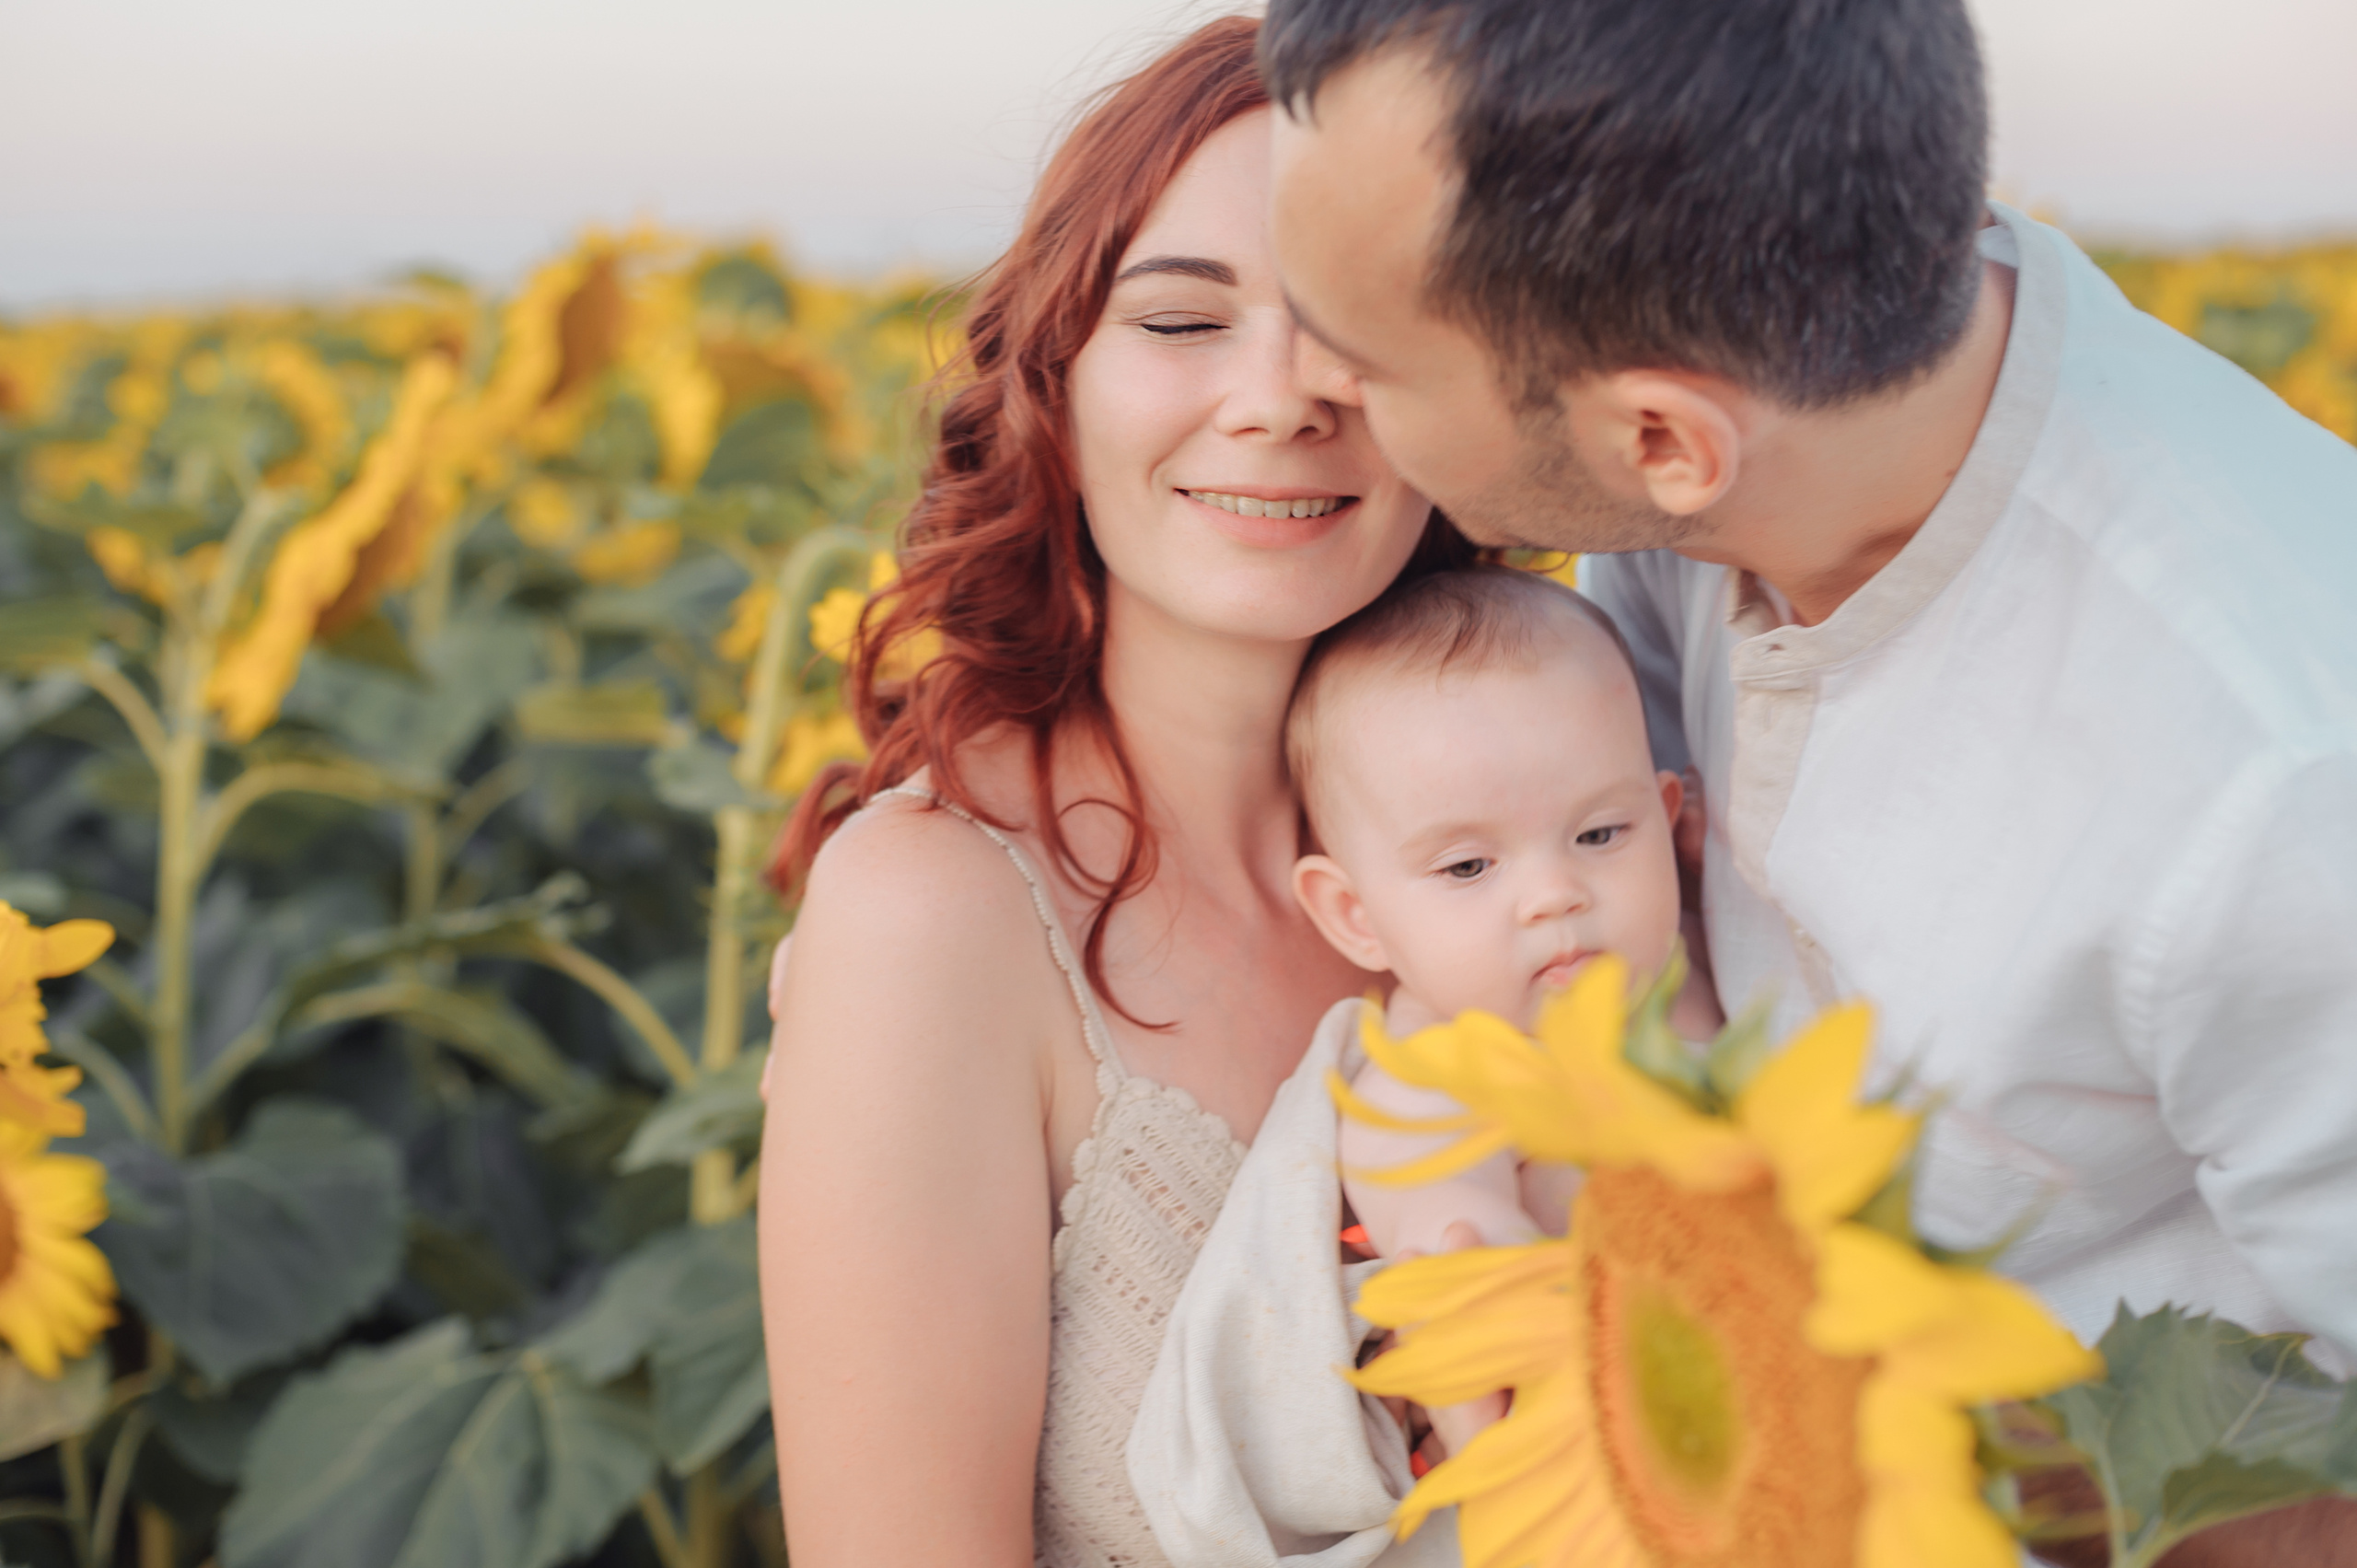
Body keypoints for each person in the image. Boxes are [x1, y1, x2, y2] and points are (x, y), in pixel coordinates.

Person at [1257, 0, 2357, 1562]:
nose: (1303, 376)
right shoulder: (1747, 445)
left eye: (1366, 356)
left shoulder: (2275, 782)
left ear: (1664, 441)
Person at [755, 17, 1472, 1566]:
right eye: (1182, 319)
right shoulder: (936, 920)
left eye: (1358, 323)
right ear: (1055, 384)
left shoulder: (1559, 815)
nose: (1282, 400)